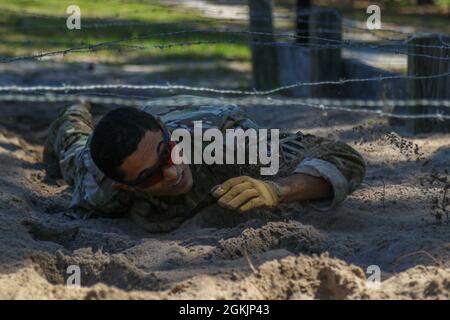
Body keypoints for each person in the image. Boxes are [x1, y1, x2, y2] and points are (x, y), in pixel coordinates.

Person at [44, 96, 365, 232]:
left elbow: (343, 157)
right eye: (150, 176)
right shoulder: (100, 189)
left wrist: (276, 188)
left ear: (164, 130)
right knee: (74, 142)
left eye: (167, 152)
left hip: (203, 120)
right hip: (109, 149)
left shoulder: (230, 141)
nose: (172, 172)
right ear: (126, 186)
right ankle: (75, 105)